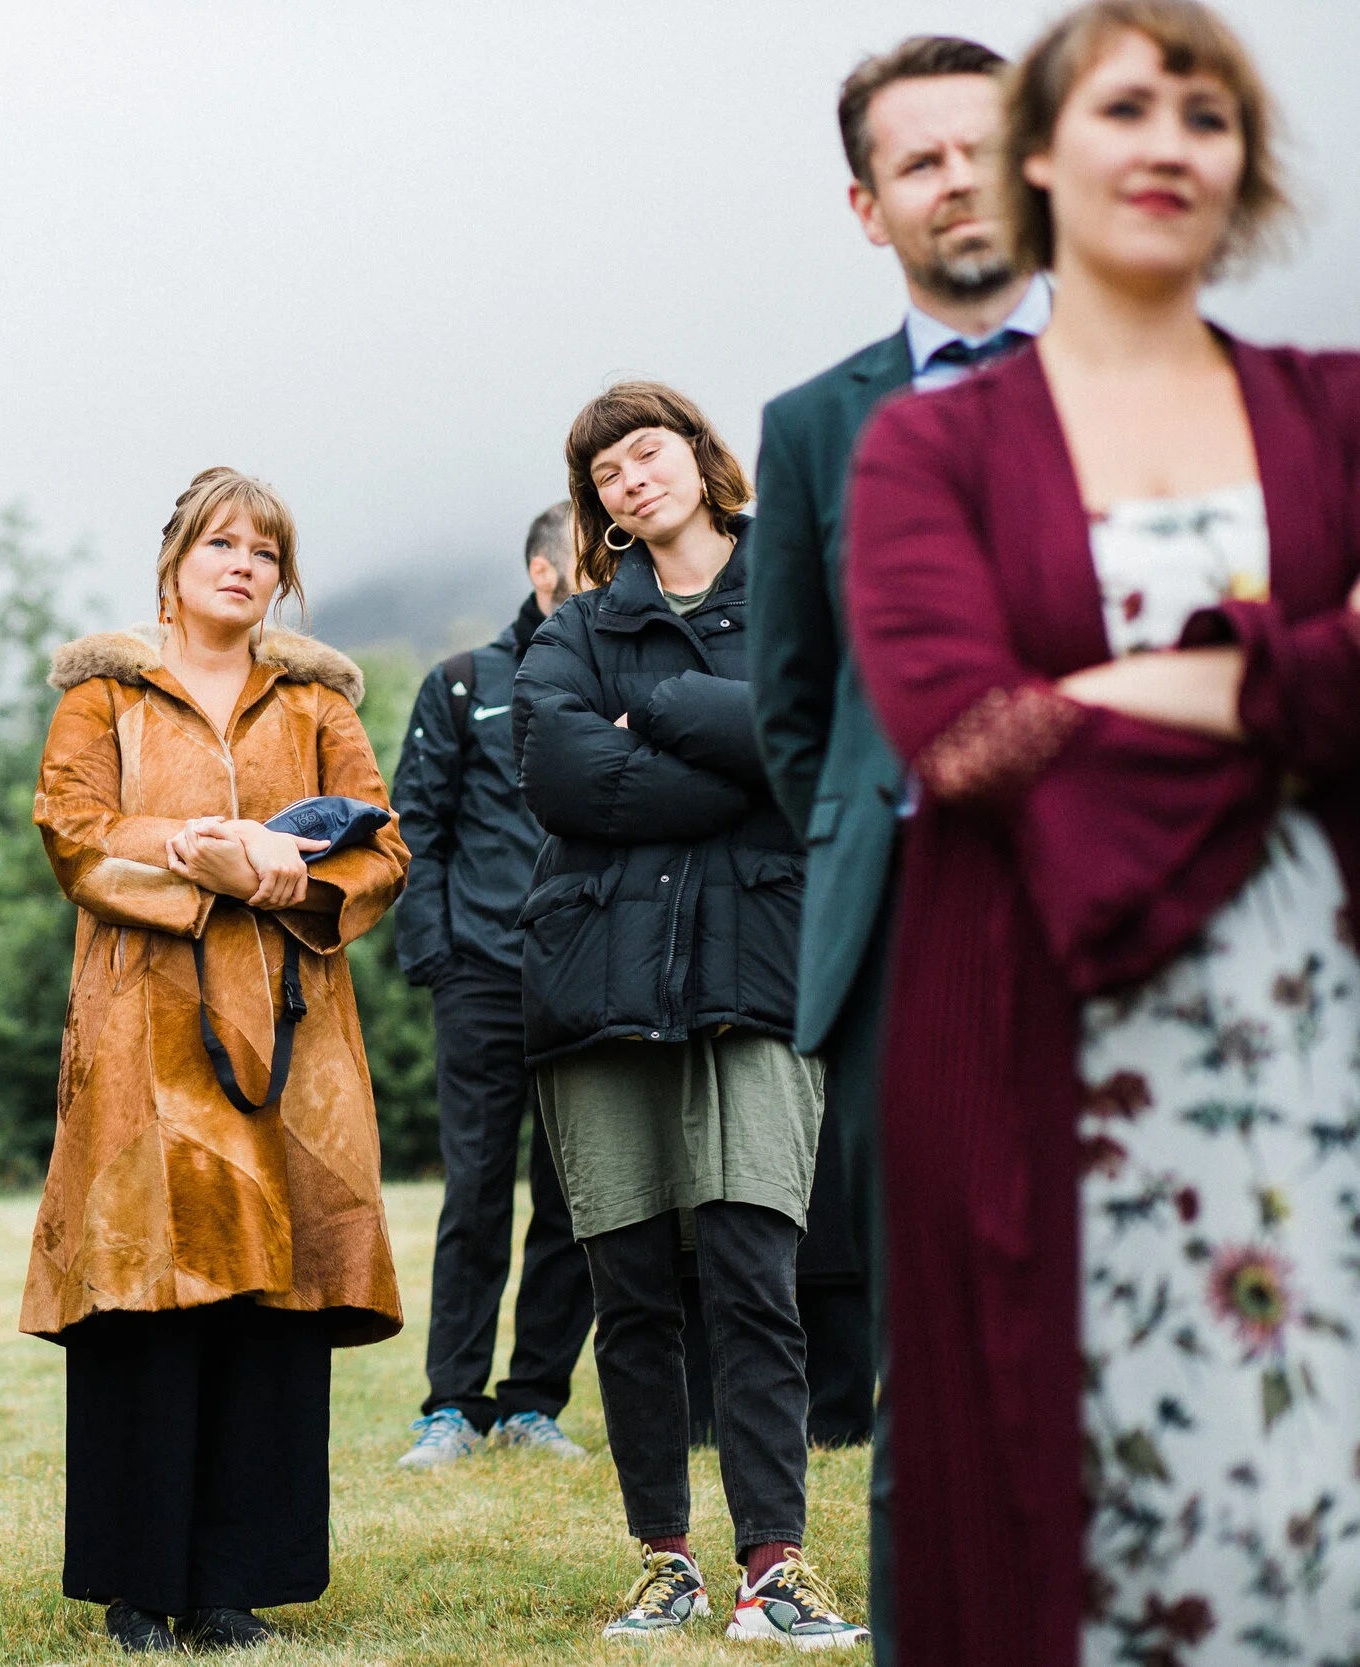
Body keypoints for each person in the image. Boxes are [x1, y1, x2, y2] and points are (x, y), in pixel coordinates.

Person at [847, 3, 1357, 1661]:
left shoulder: (1339, 408)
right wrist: (1296, 674)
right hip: (1036, 1004)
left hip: (1321, 1000)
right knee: (1056, 1472)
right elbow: (959, 728)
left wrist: (1123, 681)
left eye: (1207, 116)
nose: (1169, 144)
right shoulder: (930, 442)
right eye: (1128, 106)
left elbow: (1033, 713)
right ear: (1043, 156)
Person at [746, 28, 1048, 1650]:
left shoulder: (1172, 382)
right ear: (870, 208)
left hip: (1154, 917)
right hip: (913, 936)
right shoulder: (814, 426)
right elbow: (796, 709)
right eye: (920, 159)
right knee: (932, 1354)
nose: (959, 179)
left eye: (985, 146)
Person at [26, 467, 408, 1654]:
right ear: (174, 559)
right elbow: (73, 831)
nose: (242, 564)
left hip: (293, 1035)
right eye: (220, 543)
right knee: (148, 1287)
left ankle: (235, 1583)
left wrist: (290, 879)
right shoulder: (103, 693)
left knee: (268, 1296)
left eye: (264, 549)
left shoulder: (317, 702)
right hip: (142, 1031)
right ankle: (139, 1584)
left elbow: (381, 848)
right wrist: (209, 854)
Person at [513, 382, 866, 1648]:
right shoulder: (577, 625)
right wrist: (742, 754)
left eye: (646, 449)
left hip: (755, 971)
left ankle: (775, 1564)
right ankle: (663, 1559)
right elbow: (558, 772)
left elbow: (823, 747)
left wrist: (654, 710)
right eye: (604, 469)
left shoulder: (798, 593)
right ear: (596, 503)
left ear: (700, 457)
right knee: (630, 1290)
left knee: (753, 1271)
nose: (629, 476)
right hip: (595, 978)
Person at [391, 500, 596, 1468]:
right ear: (542, 571)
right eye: (591, 556)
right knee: (474, 1193)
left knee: (575, 1199)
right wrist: (436, 957)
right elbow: (414, 827)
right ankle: (452, 1406)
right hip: (479, 976)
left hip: (590, 979)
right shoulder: (463, 680)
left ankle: (532, 1401)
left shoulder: (619, 674)